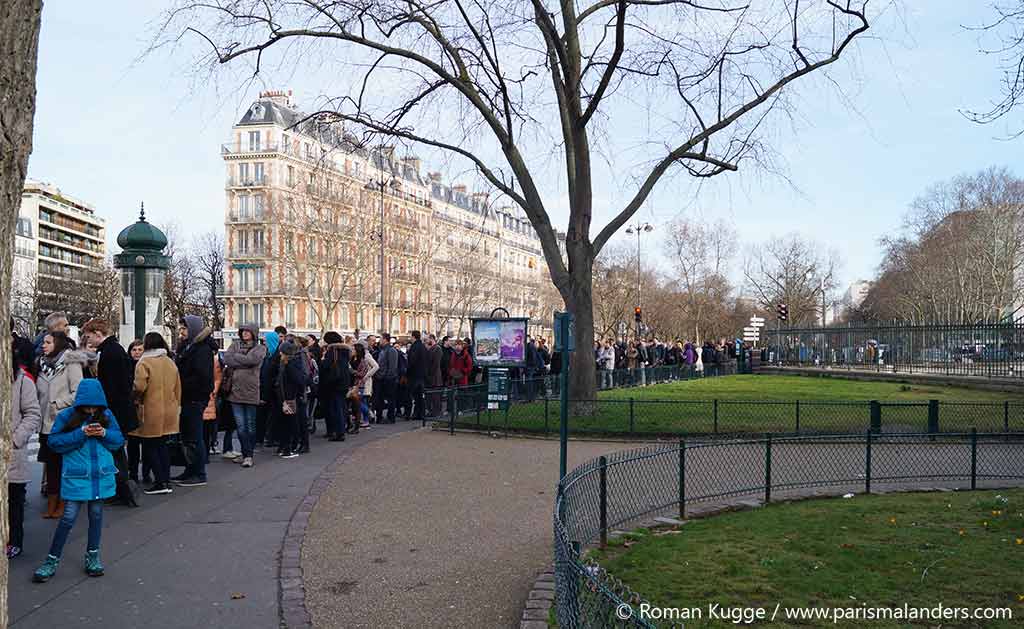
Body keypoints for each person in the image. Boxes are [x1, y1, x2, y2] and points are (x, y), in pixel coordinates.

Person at [32, 379, 125, 583]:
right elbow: (54, 442)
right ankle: (51, 559)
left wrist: (104, 433)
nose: (91, 410)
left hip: (99, 476)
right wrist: (81, 433)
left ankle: (93, 555)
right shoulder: (67, 416)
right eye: (87, 406)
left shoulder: (107, 415)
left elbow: (118, 441)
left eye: (94, 406)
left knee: (96, 515)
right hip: (78, 476)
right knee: (67, 518)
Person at [80, 319, 140, 507]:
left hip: (115, 410)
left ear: (98, 333)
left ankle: (121, 490)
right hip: (121, 409)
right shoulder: (114, 349)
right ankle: (121, 489)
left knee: (115, 451)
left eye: (90, 336)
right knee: (116, 450)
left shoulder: (109, 352)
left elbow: (112, 386)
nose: (89, 341)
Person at [35, 332, 87, 519]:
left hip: (62, 422)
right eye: (43, 342)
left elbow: (78, 392)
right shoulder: (40, 364)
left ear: (57, 344)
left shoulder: (71, 364)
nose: (43, 345)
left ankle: (63, 504)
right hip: (44, 423)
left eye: (48, 342)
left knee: (61, 464)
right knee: (51, 465)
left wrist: (58, 404)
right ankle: (52, 503)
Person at [132, 333, 181, 495]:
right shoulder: (170, 362)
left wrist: (135, 399)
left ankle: (160, 481)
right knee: (163, 446)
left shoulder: (144, 362)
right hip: (169, 410)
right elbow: (177, 388)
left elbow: (139, 387)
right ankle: (166, 479)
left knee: (150, 447)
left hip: (150, 410)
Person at [173, 315, 216, 487]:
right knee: (188, 436)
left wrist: (180, 383)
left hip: (194, 397)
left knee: (194, 436)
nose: (181, 332)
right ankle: (190, 469)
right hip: (189, 397)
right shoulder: (188, 347)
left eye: (184, 329)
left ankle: (198, 472)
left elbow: (202, 377)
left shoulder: (201, 349)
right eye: (181, 329)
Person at [8, 356, 42, 558]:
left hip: (10, 452)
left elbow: (32, 413)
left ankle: (15, 541)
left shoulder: (22, 380)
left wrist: (15, 439)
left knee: (14, 500)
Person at [221, 324, 267, 467]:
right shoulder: (234, 344)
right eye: (243, 331)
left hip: (251, 391)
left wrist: (237, 358)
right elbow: (227, 359)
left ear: (254, 333)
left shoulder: (260, 348)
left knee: (251, 426)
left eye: (248, 331)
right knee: (240, 426)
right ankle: (245, 453)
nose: (245, 333)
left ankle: (249, 454)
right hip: (235, 391)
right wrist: (244, 360)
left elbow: (253, 360)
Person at [273, 339, 308, 458]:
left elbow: (298, 380)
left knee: (288, 423)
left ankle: (286, 448)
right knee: (288, 423)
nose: (280, 354)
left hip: (289, 397)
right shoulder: (288, 363)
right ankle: (286, 449)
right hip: (289, 397)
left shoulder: (289, 364)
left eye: (281, 352)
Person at [124, 339, 150, 485]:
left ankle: (146, 473)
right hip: (132, 409)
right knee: (133, 444)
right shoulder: (127, 366)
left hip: (144, 409)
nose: (137, 353)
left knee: (146, 444)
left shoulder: (146, 365)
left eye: (140, 350)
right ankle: (133, 473)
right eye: (134, 350)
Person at [319, 331, 351, 441]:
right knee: (340, 407)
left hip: (334, 383)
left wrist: (322, 360)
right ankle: (340, 430)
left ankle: (339, 433)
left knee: (335, 408)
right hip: (343, 382)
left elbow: (326, 365)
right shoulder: (345, 350)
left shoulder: (332, 350)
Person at [258, 330, 281, 447]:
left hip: (273, 392)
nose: (264, 343)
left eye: (266, 341)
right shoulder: (269, 355)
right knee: (269, 416)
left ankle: (273, 438)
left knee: (273, 416)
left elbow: (270, 376)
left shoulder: (275, 357)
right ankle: (269, 437)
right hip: (269, 391)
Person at [351, 342, 378, 430]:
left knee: (361, 401)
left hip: (363, 382)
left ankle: (368, 416)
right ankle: (366, 420)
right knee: (362, 401)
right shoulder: (359, 357)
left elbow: (376, 366)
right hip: (361, 382)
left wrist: (366, 376)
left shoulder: (366, 356)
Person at [373, 333, 399, 423]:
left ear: (385, 340)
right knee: (380, 399)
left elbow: (392, 367)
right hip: (381, 379)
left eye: (380, 339)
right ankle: (380, 417)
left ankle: (391, 417)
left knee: (390, 399)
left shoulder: (391, 350)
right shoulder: (382, 350)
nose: (379, 341)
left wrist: (386, 378)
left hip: (388, 380)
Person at [405, 331, 428, 422]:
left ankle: (408, 414)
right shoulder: (423, 347)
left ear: (413, 337)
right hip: (422, 375)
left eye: (411, 336)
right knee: (420, 396)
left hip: (413, 376)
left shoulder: (414, 347)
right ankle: (420, 414)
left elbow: (411, 362)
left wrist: (407, 372)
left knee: (410, 396)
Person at [426, 334, 443, 417]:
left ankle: (436, 412)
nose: (426, 341)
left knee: (436, 395)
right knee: (432, 396)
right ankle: (433, 411)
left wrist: (430, 373)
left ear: (431, 339)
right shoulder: (432, 349)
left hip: (435, 376)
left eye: (427, 339)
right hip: (432, 376)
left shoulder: (437, 349)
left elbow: (435, 364)